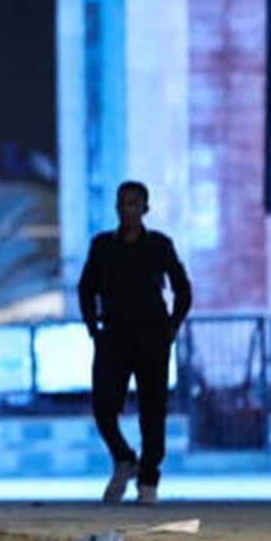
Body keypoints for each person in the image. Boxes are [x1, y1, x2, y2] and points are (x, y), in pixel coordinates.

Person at [78, 181, 192, 505]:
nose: (127, 209)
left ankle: (148, 480)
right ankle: (124, 459)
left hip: (152, 337)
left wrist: (172, 326)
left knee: (152, 411)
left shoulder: (159, 245)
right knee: (103, 407)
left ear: (145, 208)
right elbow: (86, 289)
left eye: (133, 203)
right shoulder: (102, 246)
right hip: (113, 336)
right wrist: (93, 328)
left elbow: (183, 290)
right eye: (122, 202)